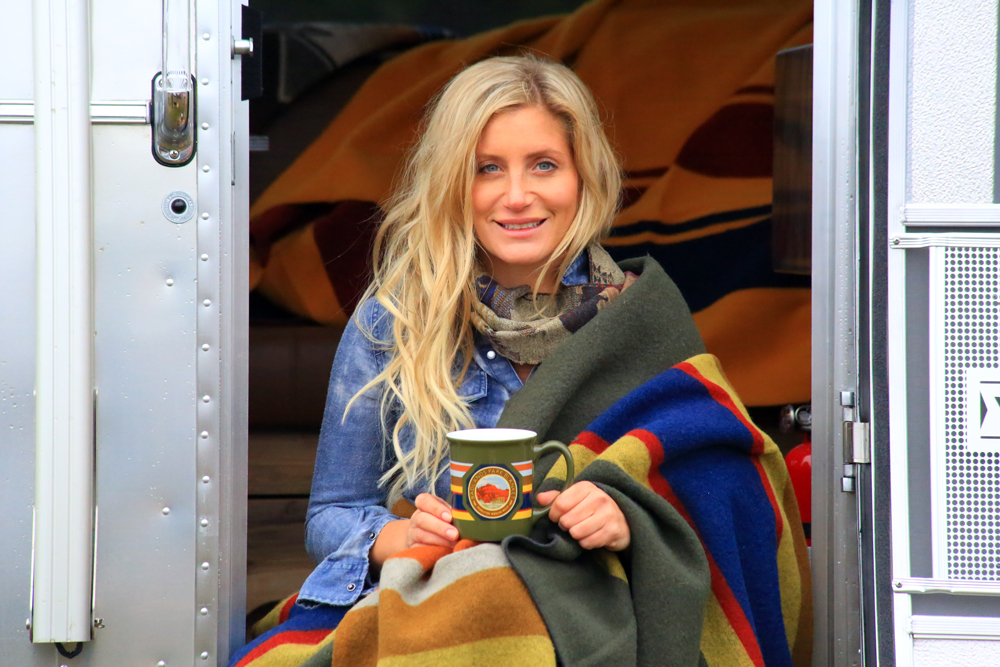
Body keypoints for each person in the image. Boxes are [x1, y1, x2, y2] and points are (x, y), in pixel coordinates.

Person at [299, 54, 638, 609]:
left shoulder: (638, 315)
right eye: (488, 168)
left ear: (584, 175)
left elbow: (706, 497)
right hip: (446, 611)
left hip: (597, 615)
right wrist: (401, 538)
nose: (517, 195)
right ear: (453, 182)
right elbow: (330, 515)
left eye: (545, 165)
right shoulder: (394, 319)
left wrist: (630, 520)